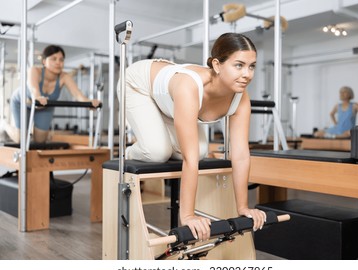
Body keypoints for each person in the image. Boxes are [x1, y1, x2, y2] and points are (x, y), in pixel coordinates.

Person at [121, 32, 266, 241]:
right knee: (157, 152)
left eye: (251, 66)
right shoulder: (190, 87)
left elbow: (241, 155)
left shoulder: (241, 99)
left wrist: (243, 207)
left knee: (200, 152)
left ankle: (154, 136)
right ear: (217, 65)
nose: (247, 74)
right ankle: (133, 149)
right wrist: (187, 215)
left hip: (169, 100)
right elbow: (188, 159)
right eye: (239, 65)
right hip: (138, 85)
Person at [0, 44, 100, 143]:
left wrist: (89, 103)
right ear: (44, 61)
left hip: (44, 106)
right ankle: (3, 124)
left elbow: (78, 95)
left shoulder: (64, 77)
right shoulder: (34, 70)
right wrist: (38, 97)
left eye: (61, 60)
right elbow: (35, 90)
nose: (58, 62)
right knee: (20, 140)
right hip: (22, 103)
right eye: (54, 59)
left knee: (40, 140)